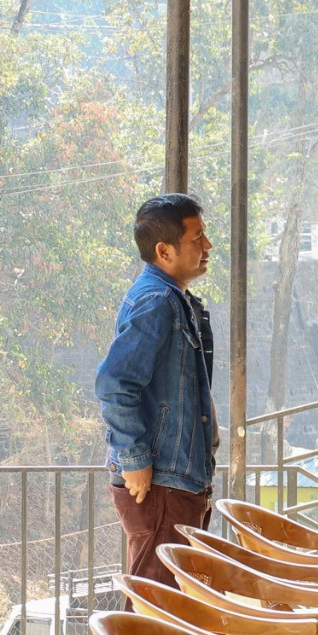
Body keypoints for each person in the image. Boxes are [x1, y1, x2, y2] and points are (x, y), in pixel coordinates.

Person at [98, 194, 220, 598]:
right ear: (164, 251)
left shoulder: (173, 299)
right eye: (197, 238)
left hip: (175, 480)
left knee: (170, 605)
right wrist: (134, 459)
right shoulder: (157, 302)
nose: (208, 246)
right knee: (156, 607)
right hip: (161, 484)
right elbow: (114, 383)